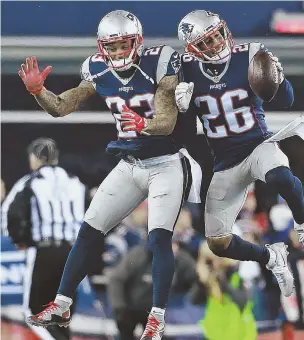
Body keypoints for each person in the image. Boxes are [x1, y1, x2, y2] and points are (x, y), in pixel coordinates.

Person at [20, 10, 193, 340]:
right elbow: (62, 106)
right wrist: (38, 92)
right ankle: (62, 303)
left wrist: (146, 125)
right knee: (88, 230)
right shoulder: (96, 68)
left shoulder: (159, 62)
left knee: (158, 239)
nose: (115, 54)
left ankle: (156, 318)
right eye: (109, 48)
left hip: (165, 163)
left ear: (138, 41)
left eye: (121, 45)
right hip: (129, 164)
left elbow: (167, 119)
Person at [175, 10, 304, 297]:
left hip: (257, 144)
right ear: (193, 49)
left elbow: (285, 100)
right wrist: (182, 108)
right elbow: (181, 134)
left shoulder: (250, 55)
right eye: (206, 41)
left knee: (281, 176)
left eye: (217, 34)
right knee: (217, 242)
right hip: (225, 163)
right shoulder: (186, 70)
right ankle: (272, 258)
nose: (216, 42)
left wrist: (280, 81)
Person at [2, 138, 86, 340]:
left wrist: (20, 240)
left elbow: (9, 214)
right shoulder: (75, 181)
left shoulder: (31, 182)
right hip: (73, 254)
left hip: (45, 251)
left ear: (34, 158)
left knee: (34, 314)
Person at [107, 236, 196, 340]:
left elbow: (196, 277)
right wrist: (119, 308)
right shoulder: (137, 256)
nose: (174, 248)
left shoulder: (180, 260)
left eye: (176, 244)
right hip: (129, 308)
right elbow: (117, 280)